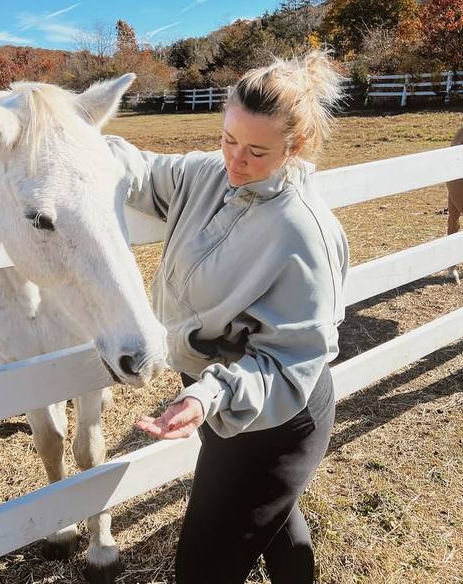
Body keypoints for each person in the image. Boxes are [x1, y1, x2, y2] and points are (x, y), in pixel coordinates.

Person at [106, 49, 349, 584]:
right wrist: (69, 142)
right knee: (274, 521)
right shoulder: (210, 175)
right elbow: (142, 170)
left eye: (257, 152)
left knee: (203, 567)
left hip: (280, 416)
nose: (235, 162)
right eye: (227, 139)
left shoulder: (301, 232)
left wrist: (204, 394)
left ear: (297, 147)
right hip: (224, 402)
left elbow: (291, 362)